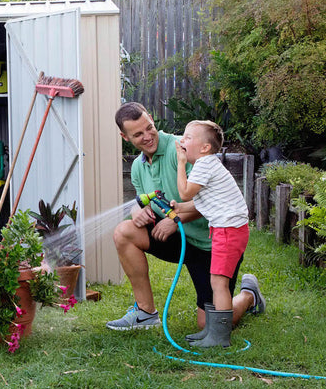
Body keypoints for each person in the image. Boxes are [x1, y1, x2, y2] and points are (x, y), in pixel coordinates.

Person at [106, 102, 264, 335]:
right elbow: (144, 200)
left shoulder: (185, 149)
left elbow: (213, 200)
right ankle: (145, 312)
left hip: (210, 243)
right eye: (138, 134)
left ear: (151, 118)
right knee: (124, 231)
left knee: (210, 324)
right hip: (177, 240)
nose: (148, 136)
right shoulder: (138, 167)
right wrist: (136, 212)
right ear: (125, 137)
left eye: (149, 128)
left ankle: (249, 295)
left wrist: (173, 220)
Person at [172, 120, 256, 347]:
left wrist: (181, 163)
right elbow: (201, 202)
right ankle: (211, 330)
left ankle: (220, 337)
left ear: (205, 148)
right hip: (227, 229)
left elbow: (185, 192)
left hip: (228, 230)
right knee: (215, 280)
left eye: (188, 137)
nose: (182, 141)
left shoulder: (204, 164)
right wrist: (178, 209)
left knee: (219, 283)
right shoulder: (208, 164)